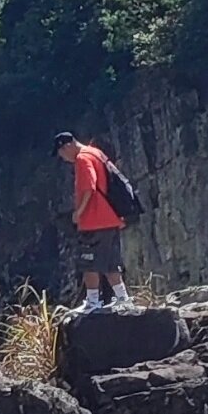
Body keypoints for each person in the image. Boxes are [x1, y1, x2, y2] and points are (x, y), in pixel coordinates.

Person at [54, 131, 131, 309]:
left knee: (88, 262)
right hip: (110, 218)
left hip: (94, 220)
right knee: (111, 261)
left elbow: (89, 187)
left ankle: (93, 301)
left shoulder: (82, 159)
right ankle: (122, 298)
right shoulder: (96, 153)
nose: (64, 158)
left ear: (67, 146)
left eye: (61, 154)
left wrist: (79, 212)